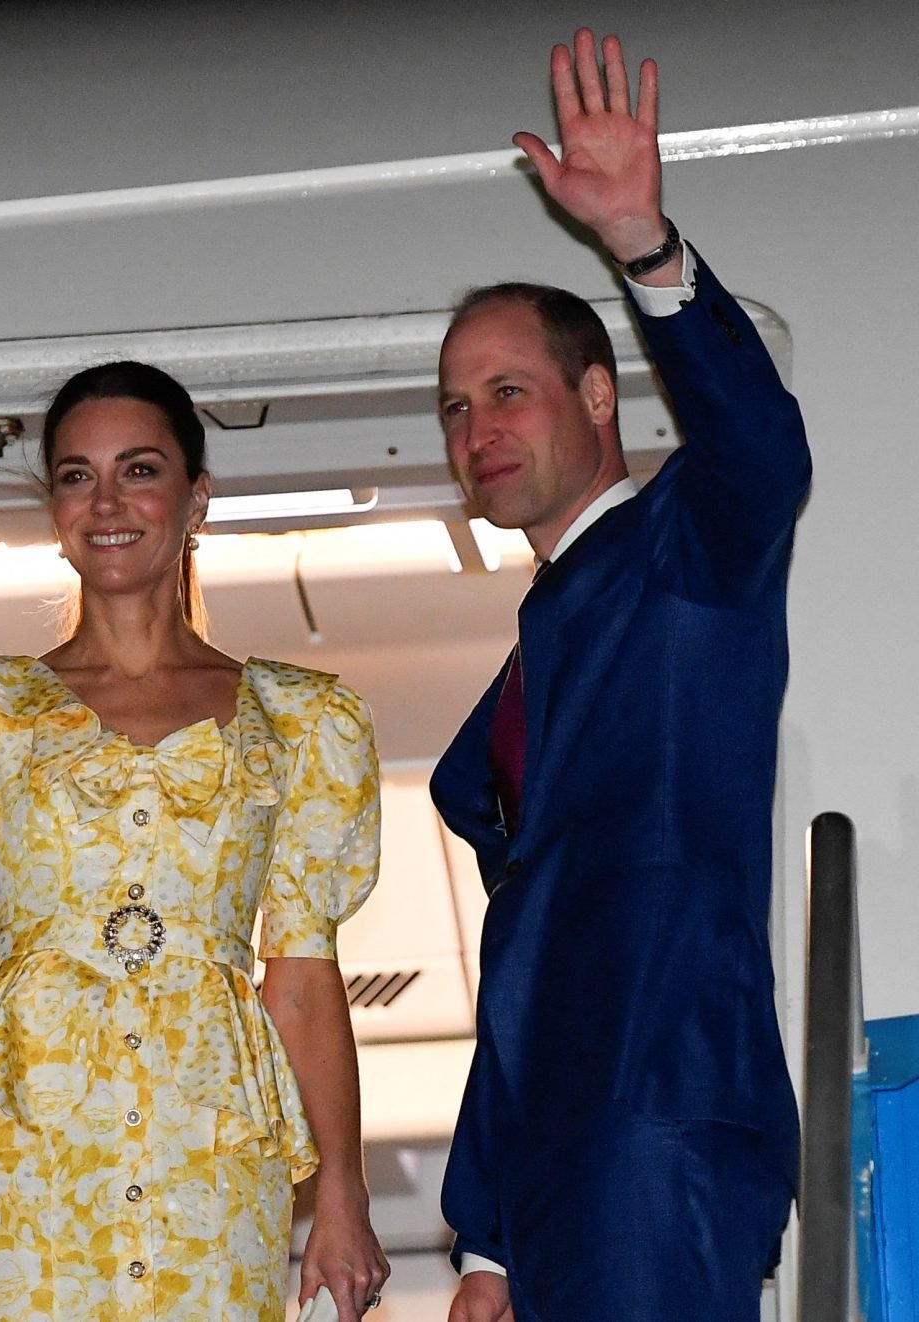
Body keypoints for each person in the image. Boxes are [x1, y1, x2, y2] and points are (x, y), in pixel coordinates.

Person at [0, 360, 390, 1322]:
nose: (106, 500)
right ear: (55, 507)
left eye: (139, 470)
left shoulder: (302, 719)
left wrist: (341, 1193)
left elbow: (303, 974)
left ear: (196, 497)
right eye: (77, 475)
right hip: (33, 1138)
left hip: (214, 1148)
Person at [430, 31, 810, 1322]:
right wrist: (488, 1244)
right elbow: (531, 970)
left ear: (601, 396)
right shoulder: (533, 661)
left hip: (659, 1128)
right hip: (558, 1173)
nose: (478, 428)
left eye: (509, 391)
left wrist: (648, 251)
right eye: (456, 406)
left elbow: (760, 451)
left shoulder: (683, 562)